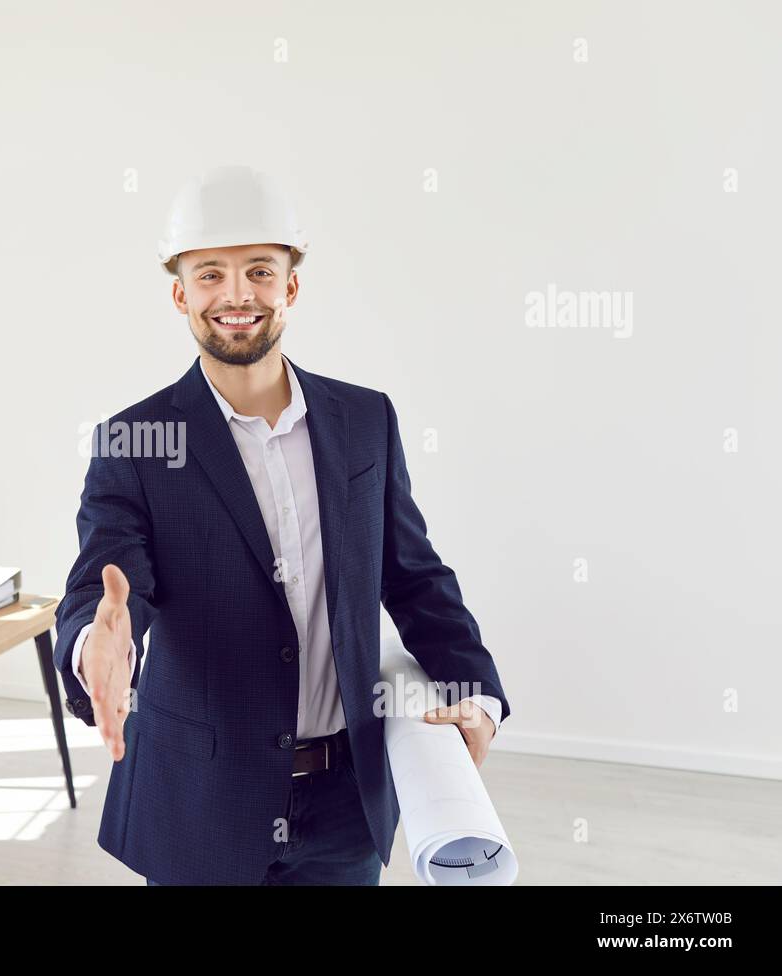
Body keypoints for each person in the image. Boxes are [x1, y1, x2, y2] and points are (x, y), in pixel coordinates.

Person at [55, 165, 511, 885]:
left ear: (290, 287)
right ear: (180, 294)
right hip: (201, 802)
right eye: (210, 275)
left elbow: (415, 577)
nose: (236, 295)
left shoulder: (365, 422)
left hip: (344, 799)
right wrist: (96, 644)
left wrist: (473, 691)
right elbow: (105, 583)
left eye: (259, 271)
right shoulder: (133, 440)